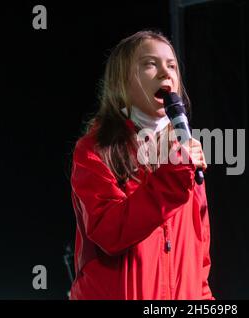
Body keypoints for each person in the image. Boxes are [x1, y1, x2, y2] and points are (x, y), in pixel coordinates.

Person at [69, 30, 215, 300]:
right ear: (121, 81)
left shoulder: (184, 155)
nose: (165, 73)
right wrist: (173, 174)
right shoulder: (93, 151)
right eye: (150, 64)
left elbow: (199, 260)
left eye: (172, 65)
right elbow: (111, 232)